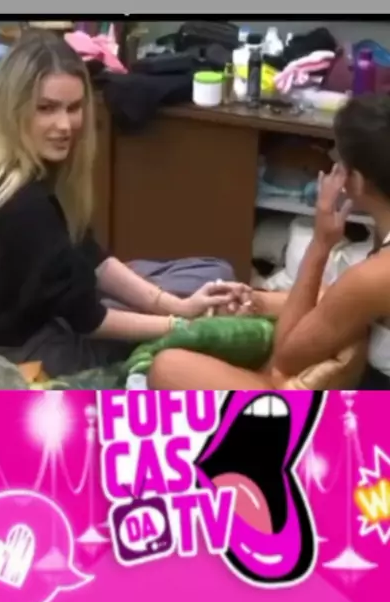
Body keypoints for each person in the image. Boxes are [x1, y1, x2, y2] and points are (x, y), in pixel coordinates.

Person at [0, 29, 244, 381]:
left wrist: (176, 305)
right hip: (14, 352)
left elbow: (85, 253)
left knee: (212, 272)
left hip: (39, 315)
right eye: (46, 108)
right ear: (13, 109)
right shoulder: (21, 204)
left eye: (73, 108)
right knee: (201, 302)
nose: (65, 125)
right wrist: (181, 325)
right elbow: (89, 319)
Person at [148, 94, 390, 391]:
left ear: (358, 181)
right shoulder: (375, 263)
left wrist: (320, 243)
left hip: (374, 412)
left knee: (168, 369)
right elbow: (339, 299)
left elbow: (287, 358)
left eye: (338, 163)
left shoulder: (373, 277)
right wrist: (258, 301)